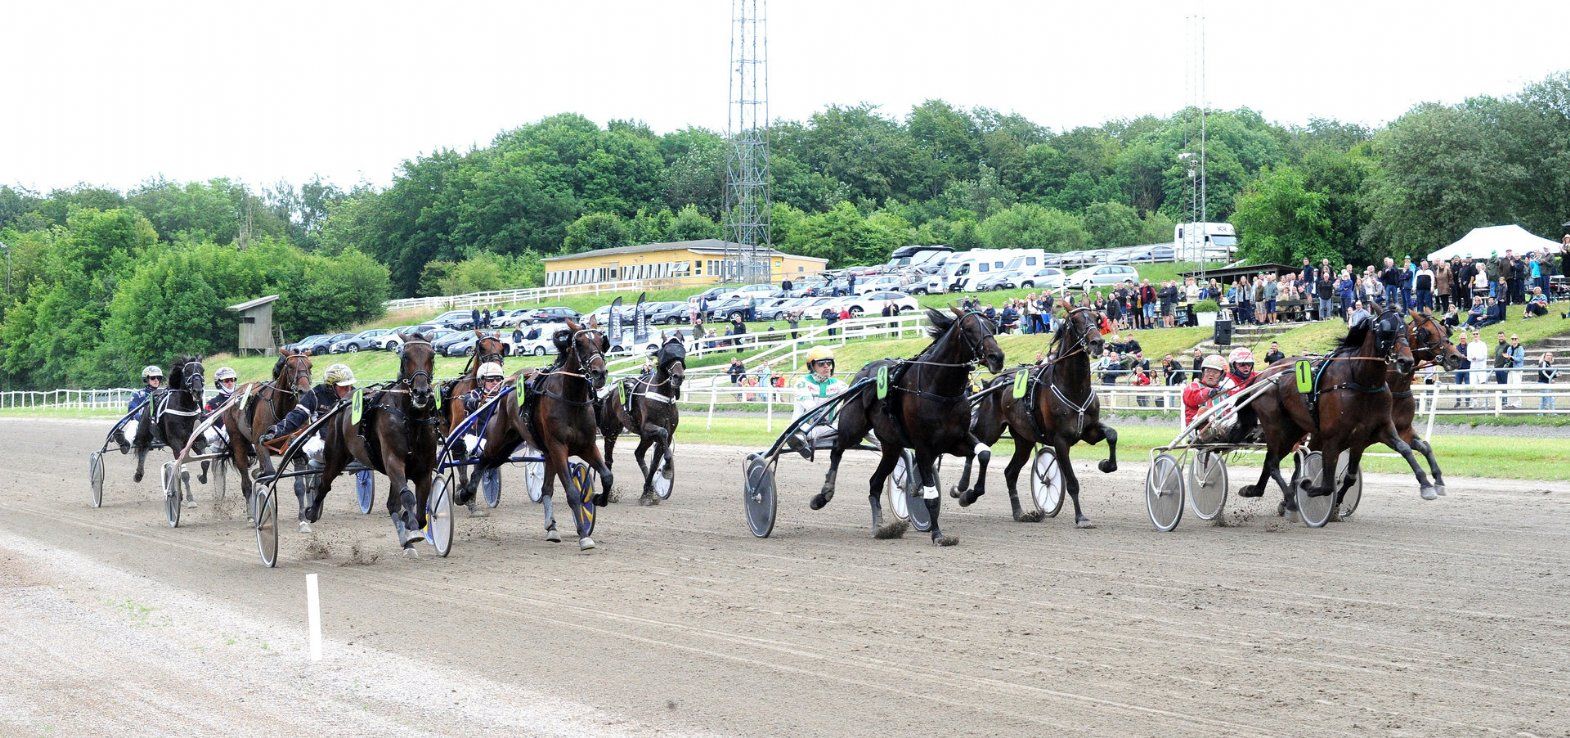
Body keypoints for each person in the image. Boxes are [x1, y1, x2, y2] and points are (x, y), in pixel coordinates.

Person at [259, 363, 357, 469]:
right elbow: (296, 416)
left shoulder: (355, 394)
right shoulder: (315, 395)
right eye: (344, 387)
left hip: (350, 443)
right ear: (332, 385)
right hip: (323, 444)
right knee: (306, 446)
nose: (349, 390)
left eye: (350, 386)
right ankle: (300, 455)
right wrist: (276, 431)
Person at [784, 346, 848, 459]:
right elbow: (810, 406)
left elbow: (853, 394)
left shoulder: (838, 384)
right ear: (812, 366)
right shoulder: (802, 383)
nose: (826, 366)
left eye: (829, 363)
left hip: (829, 428)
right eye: (821, 364)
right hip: (805, 428)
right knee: (798, 433)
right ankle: (796, 439)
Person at [113, 365, 165, 454]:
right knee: (133, 424)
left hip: (159, 422)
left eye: (159, 378)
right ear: (146, 379)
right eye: (153, 378)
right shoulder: (139, 394)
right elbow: (132, 411)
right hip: (141, 423)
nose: (156, 380)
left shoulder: (164, 393)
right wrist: (142, 418)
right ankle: (125, 444)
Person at [1181, 355, 1234, 440]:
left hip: (1222, 426)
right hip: (1196, 429)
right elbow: (1191, 397)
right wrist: (1208, 392)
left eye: (1215, 372)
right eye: (1208, 371)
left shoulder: (1225, 391)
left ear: (1222, 376)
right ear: (1203, 372)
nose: (1210, 375)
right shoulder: (1194, 386)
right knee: (1204, 410)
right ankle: (1207, 433)